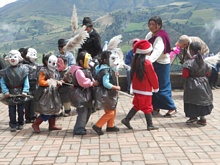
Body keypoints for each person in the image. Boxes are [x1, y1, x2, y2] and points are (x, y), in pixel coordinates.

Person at [121, 40, 159, 130]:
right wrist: (156, 87)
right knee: (147, 106)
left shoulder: (136, 61)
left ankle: (127, 119)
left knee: (137, 105)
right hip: (145, 89)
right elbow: (153, 77)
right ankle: (150, 125)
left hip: (136, 87)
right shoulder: (147, 63)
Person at [145, 15, 177, 117]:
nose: (151, 26)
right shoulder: (149, 35)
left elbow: (157, 51)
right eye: (150, 24)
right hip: (153, 63)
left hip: (162, 64)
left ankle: (172, 107)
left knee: (161, 87)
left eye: (153, 24)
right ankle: (155, 107)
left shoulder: (161, 37)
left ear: (159, 25)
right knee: (153, 86)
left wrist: (148, 60)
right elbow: (145, 45)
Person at [182, 42, 213, 125]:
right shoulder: (205, 63)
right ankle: (202, 118)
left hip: (192, 85)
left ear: (191, 51)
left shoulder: (188, 63)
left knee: (192, 101)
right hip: (204, 84)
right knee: (202, 101)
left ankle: (193, 117)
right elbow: (208, 74)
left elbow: (185, 75)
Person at [69, 51, 99, 135]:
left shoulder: (85, 70)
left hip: (86, 94)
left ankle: (81, 126)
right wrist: (92, 83)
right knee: (83, 111)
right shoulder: (78, 71)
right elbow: (83, 82)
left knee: (88, 110)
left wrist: (93, 81)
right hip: (80, 94)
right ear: (81, 62)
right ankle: (78, 129)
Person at [92, 50, 121, 136]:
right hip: (105, 94)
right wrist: (116, 87)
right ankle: (98, 125)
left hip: (107, 94)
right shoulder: (105, 70)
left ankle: (110, 126)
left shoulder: (103, 68)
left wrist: (115, 73)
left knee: (113, 109)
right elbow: (106, 83)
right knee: (110, 112)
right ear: (105, 60)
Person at [0, 50, 30, 132]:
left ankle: (21, 122)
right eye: (11, 57)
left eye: (15, 57)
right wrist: (6, 91)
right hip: (10, 93)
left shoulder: (23, 69)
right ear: (8, 58)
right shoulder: (5, 71)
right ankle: (12, 124)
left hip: (20, 92)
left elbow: (26, 81)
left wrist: (25, 90)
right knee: (11, 110)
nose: (13, 59)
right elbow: (2, 82)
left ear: (19, 58)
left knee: (21, 110)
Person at [32, 54, 62, 133]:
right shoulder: (43, 70)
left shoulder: (55, 70)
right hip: (45, 94)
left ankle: (52, 125)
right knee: (46, 111)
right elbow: (41, 81)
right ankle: (36, 124)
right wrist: (49, 82)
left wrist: (59, 82)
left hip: (54, 93)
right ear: (46, 61)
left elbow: (57, 78)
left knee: (55, 109)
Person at [19, 48, 41, 123]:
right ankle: (29, 116)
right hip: (27, 85)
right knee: (28, 101)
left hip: (33, 85)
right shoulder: (24, 65)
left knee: (32, 101)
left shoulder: (34, 65)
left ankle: (32, 116)